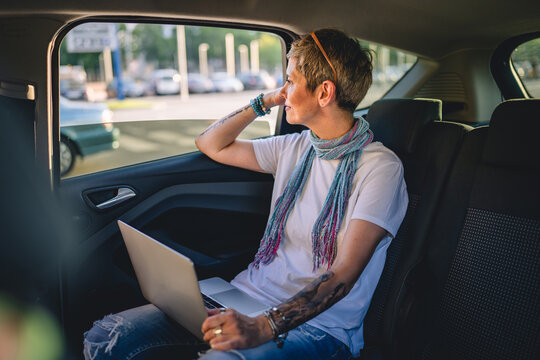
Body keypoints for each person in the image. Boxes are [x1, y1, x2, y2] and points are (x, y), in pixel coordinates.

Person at [83, 28, 408, 360]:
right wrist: (264, 101)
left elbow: (343, 274)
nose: (284, 91)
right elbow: (210, 143)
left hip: (321, 329)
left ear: (324, 92)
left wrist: (262, 327)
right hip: (245, 295)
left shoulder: (380, 168)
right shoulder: (295, 147)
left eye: (291, 82)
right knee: (106, 336)